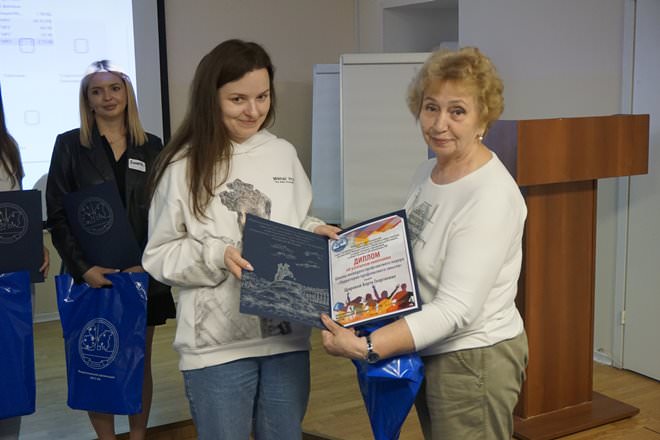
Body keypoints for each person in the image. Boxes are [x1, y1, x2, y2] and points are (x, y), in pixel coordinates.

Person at [321, 47, 529, 440]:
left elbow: (456, 309)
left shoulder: (489, 195)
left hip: (472, 360)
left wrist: (368, 346)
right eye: (431, 107)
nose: (439, 124)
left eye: (457, 111)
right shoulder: (428, 171)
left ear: (484, 117)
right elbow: (405, 252)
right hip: (428, 347)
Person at [142, 39, 340, 440]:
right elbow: (159, 254)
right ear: (210, 98)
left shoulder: (282, 153)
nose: (253, 110)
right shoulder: (183, 164)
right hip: (216, 346)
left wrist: (313, 229)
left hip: (286, 338)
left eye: (262, 97)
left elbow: (295, 219)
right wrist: (216, 254)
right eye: (238, 99)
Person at [45, 61, 176, 440]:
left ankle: (138, 437)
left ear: (127, 94)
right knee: (96, 363)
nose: (107, 97)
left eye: (115, 88)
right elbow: (57, 214)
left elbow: (167, 211)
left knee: (138, 361)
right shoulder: (69, 145)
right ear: (87, 100)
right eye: (97, 91)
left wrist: (148, 263)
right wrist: (83, 268)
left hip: (142, 275)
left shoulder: (152, 146)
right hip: (92, 275)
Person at [0, 84, 49, 440]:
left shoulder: (8, 146)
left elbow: (18, 209)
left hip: (12, 279)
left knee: (11, 370)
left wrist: (35, 244)